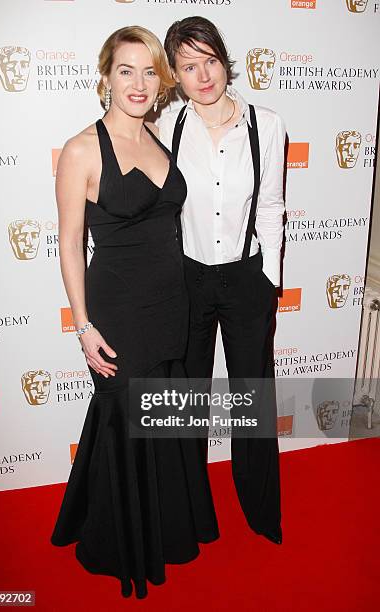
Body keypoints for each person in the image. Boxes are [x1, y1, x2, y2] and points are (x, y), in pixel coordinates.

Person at [50, 26, 219, 600]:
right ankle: (119, 541)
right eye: (127, 70)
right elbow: (70, 243)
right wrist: (82, 324)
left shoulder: (158, 139)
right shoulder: (81, 149)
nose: (140, 82)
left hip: (171, 303)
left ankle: (168, 530)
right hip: (118, 308)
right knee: (126, 416)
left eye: (150, 70)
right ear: (106, 78)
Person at [157, 16, 286, 545]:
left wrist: (269, 280)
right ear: (176, 75)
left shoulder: (266, 123)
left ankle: (259, 511)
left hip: (247, 278)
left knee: (251, 399)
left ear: (224, 60)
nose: (203, 75)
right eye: (189, 66)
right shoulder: (169, 125)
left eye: (209, 60)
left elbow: (273, 206)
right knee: (186, 401)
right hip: (188, 280)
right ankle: (188, 514)